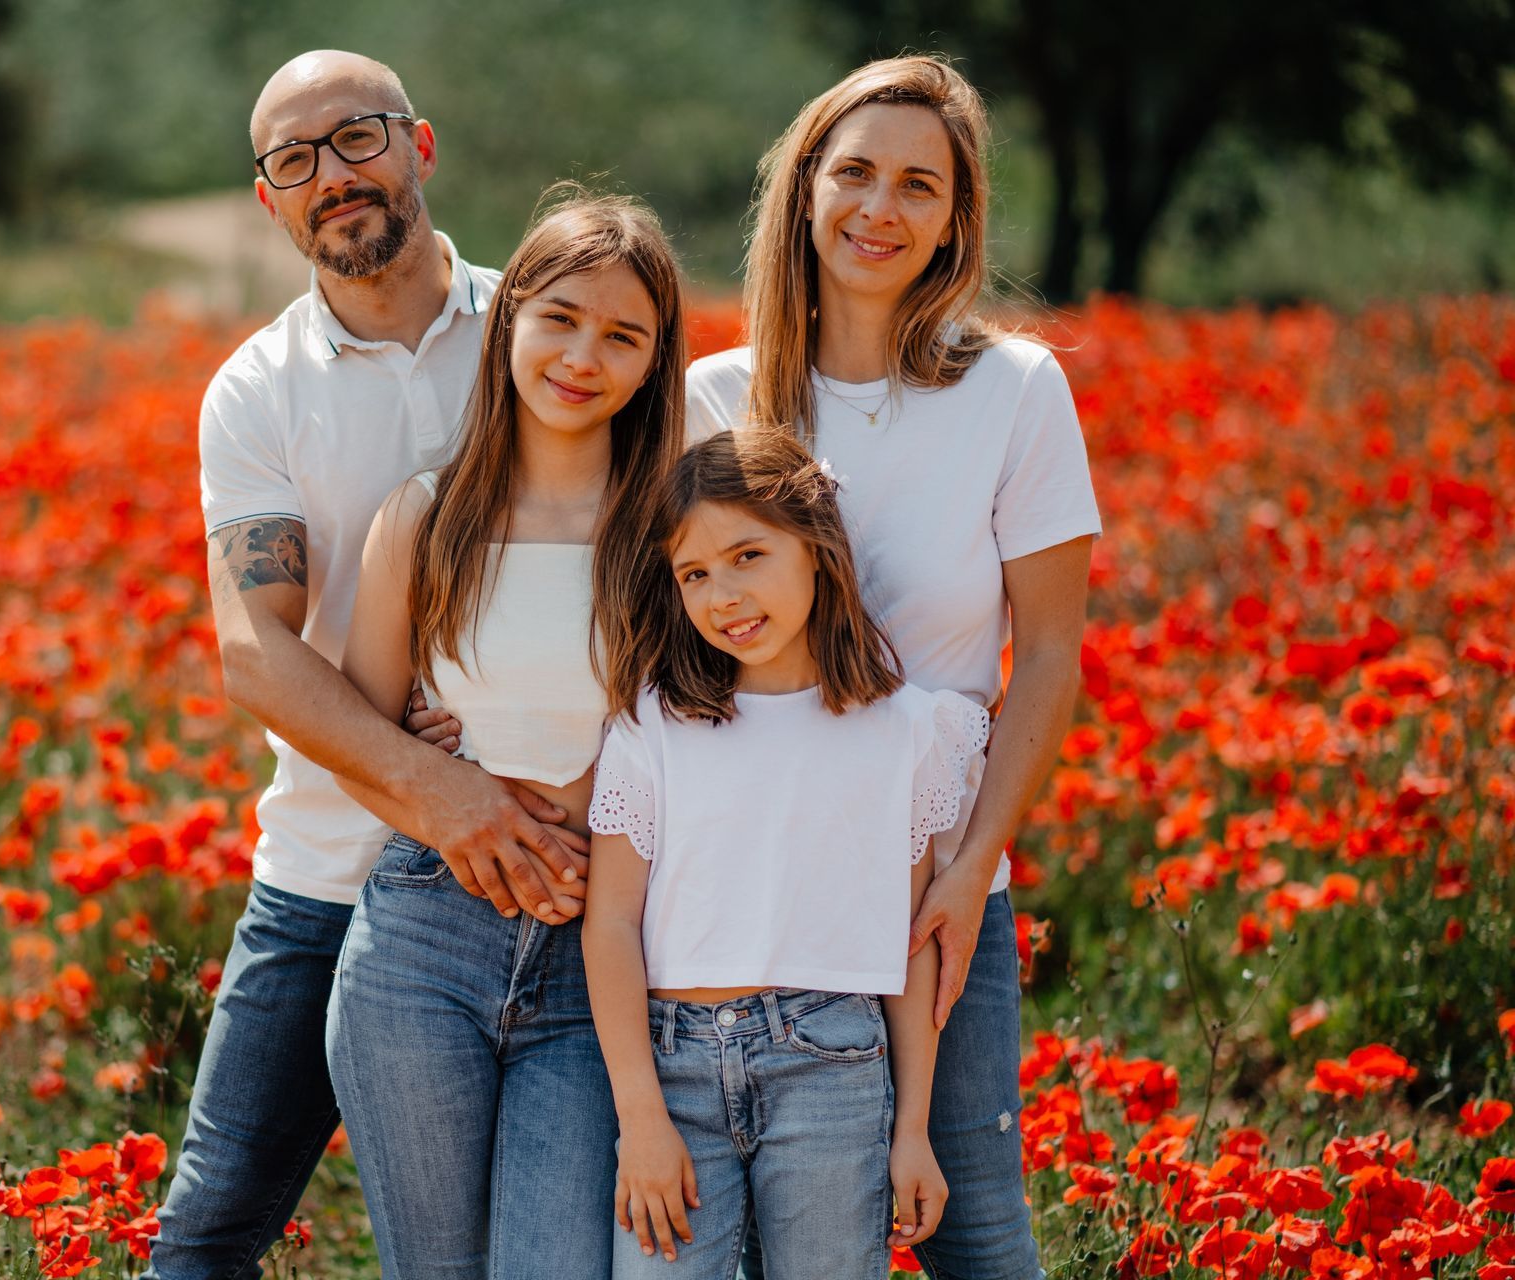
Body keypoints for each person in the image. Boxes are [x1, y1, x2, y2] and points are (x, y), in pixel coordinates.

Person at [151, 50, 593, 1280]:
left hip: (547, 877)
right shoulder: (254, 391)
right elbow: (255, 652)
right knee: (205, 1233)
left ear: (421, 145)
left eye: (356, 138)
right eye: (294, 161)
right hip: (331, 865)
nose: (331, 175)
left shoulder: (544, 330)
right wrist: (435, 790)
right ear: (269, 202)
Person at [687, 55, 1101, 1279]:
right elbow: (661, 636)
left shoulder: (1017, 390)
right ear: (804, 188)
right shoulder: (717, 395)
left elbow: (1050, 654)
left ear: (956, 219)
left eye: (920, 184)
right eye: (855, 170)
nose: (881, 206)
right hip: (748, 888)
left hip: (933, 882)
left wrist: (973, 871)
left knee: (974, 1225)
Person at [326, 190, 687, 1280]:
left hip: (602, 958)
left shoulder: (673, 524)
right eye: (561, 318)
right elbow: (357, 733)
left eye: (623, 336)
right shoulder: (425, 517)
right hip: (426, 941)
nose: (584, 356)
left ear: (655, 362)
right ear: (510, 318)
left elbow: (727, 726)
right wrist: (444, 783)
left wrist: (588, 794)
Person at [583, 431, 988, 1279]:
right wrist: (640, 1119)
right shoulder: (654, 727)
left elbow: (904, 951)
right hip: (675, 1073)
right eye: (694, 574)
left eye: (747, 555)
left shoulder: (908, 735)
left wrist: (911, 1128)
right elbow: (611, 924)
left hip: (832, 1072)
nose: (722, 594)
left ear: (816, 546)